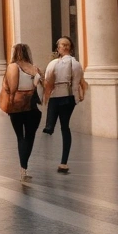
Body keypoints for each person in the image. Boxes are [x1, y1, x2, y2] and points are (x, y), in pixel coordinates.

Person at [42, 36, 87, 173]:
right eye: (63, 45)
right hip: (62, 98)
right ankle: (56, 159)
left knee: (57, 127)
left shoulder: (68, 63)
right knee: (55, 127)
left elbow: (78, 81)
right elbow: (49, 81)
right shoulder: (60, 63)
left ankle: (62, 161)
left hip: (63, 97)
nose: (65, 47)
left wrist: (79, 95)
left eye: (67, 45)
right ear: (58, 48)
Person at [3, 43, 43, 182]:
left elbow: (12, 88)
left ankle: (23, 168)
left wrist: (9, 103)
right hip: (33, 107)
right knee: (30, 137)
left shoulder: (13, 66)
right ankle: (24, 166)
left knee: (20, 136)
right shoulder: (35, 68)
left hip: (17, 107)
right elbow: (42, 85)